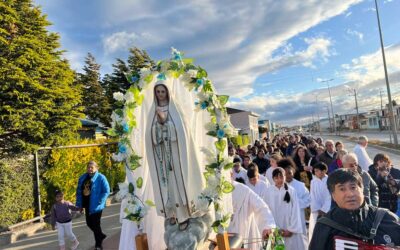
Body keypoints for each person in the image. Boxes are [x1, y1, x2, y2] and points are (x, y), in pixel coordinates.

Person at [147, 82, 206, 230]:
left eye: (162, 91)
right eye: (158, 92)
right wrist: (158, 126)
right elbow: (150, 136)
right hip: (162, 156)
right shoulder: (152, 111)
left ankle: (183, 215)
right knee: (166, 185)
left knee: (179, 183)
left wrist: (166, 125)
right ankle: (171, 213)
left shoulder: (175, 109)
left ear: (167, 92)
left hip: (176, 155)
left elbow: (182, 132)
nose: (160, 94)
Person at [309, 169, 400, 250]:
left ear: (362, 189)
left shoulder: (387, 218)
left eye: (353, 187)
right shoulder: (325, 225)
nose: (350, 194)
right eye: (342, 189)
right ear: (333, 196)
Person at [265, 168, 307, 250]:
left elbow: (295, 211)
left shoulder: (291, 191)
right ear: (273, 179)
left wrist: (291, 229)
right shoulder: (268, 191)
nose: (279, 180)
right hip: (274, 228)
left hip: (289, 227)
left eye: (281, 177)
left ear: (285, 176)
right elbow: (266, 210)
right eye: (276, 178)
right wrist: (271, 227)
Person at [229, 180, 276, 250]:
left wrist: (268, 226)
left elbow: (262, 207)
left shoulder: (243, 190)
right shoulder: (211, 190)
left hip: (241, 237)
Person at [76, 161, 110, 250]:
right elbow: (79, 192)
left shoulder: (101, 178)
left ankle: (98, 245)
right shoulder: (83, 178)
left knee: (96, 224)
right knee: (89, 223)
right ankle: (101, 235)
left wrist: (100, 200)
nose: (90, 169)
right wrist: (79, 205)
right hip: (87, 205)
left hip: (96, 206)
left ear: (96, 168)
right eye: (88, 167)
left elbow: (106, 190)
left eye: (92, 167)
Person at [279, 158, 311, 236]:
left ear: (293, 172)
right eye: (285, 174)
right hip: (284, 219)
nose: (288, 176)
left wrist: (296, 203)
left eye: (289, 173)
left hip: (298, 217)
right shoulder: (278, 187)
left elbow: (308, 199)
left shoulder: (300, 185)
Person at [308, 162, 331, 242]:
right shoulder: (313, 182)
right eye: (316, 171)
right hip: (316, 210)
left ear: (324, 171)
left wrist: (324, 209)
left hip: (327, 210)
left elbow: (329, 196)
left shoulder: (329, 181)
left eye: (319, 170)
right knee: (314, 228)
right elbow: (312, 196)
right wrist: (317, 208)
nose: (317, 173)